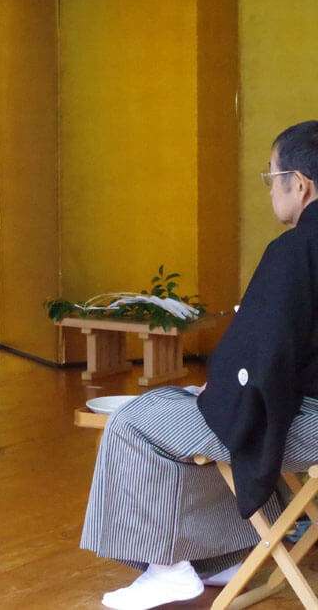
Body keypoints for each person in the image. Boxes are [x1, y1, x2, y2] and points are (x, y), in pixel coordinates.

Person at [81, 120, 318, 610]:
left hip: (312, 426)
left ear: (300, 183)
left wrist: (216, 397)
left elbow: (265, 359)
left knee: (139, 422)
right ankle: (226, 553)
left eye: (271, 177)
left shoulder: (297, 250)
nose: (271, 189)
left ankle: (166, 569)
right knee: (203, 413)